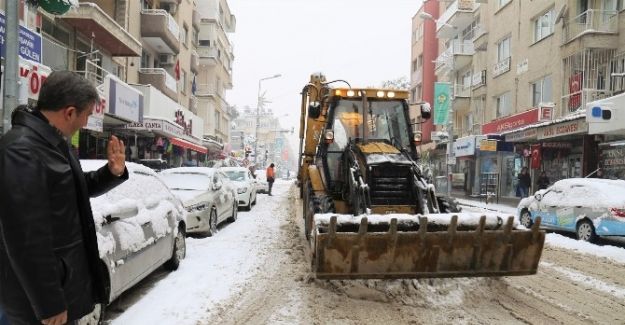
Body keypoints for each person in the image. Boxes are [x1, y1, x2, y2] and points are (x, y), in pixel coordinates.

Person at [0, 71, 129, 325]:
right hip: (36, 306)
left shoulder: (52, 143)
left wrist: (111, 173)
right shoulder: (21, 151)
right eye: (86, 115)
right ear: (70, 112)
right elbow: (26, 239)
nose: (85, 123)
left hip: (57, 291)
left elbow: (71, 191)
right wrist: (49, 303)